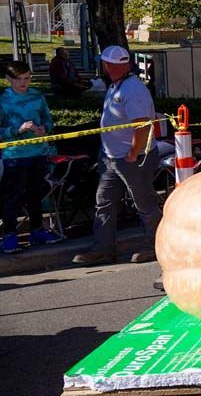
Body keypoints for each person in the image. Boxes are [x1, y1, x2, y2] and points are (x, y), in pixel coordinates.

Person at [72, 46, 162, 265]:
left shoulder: (131, 90)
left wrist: (132, 153)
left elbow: (141, 126)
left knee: (144, 204)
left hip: (131, 158)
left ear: (108, 65)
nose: (105, 67)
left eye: (106, 63)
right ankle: (103, 249)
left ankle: (156, 246)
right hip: (112, 157)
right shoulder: (118, 85)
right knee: (104, 202)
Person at [1, 61, 62, 253]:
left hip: (38, 153)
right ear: (8, 79)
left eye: (27, 78)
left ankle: (37, 230)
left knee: (36, 195)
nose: (23, 82)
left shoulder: (37, 95)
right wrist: (18, 130)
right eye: (18, 79)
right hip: (13, 156)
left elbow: (48, 120)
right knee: (13, 197)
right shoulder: (3, 100)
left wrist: (45, 128)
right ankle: (9, 235)